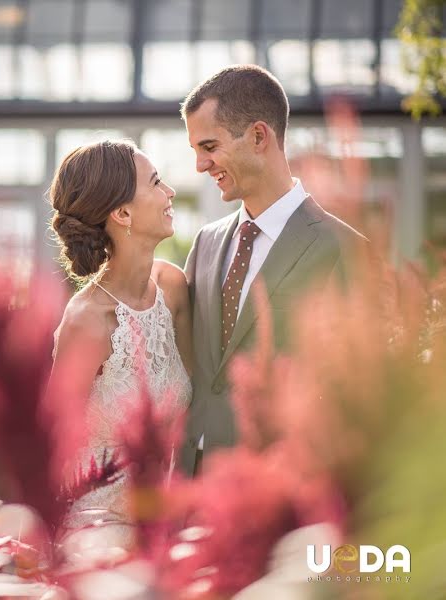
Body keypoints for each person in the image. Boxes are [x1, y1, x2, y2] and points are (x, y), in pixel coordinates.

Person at [179, 65, 366, 476]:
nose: (199, 165)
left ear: (259, 137)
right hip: (191, 483)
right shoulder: (205, 244)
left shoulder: (344, 249)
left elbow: (354, 394)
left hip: (281, 487)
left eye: (209, 146)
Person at [49, 139, 192, 530]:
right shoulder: (86, 321)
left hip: (164, 520)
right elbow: (51, 443)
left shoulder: (173, 287)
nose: (170, 192)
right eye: (157, 183)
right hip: (96, 526)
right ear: (123, 213)